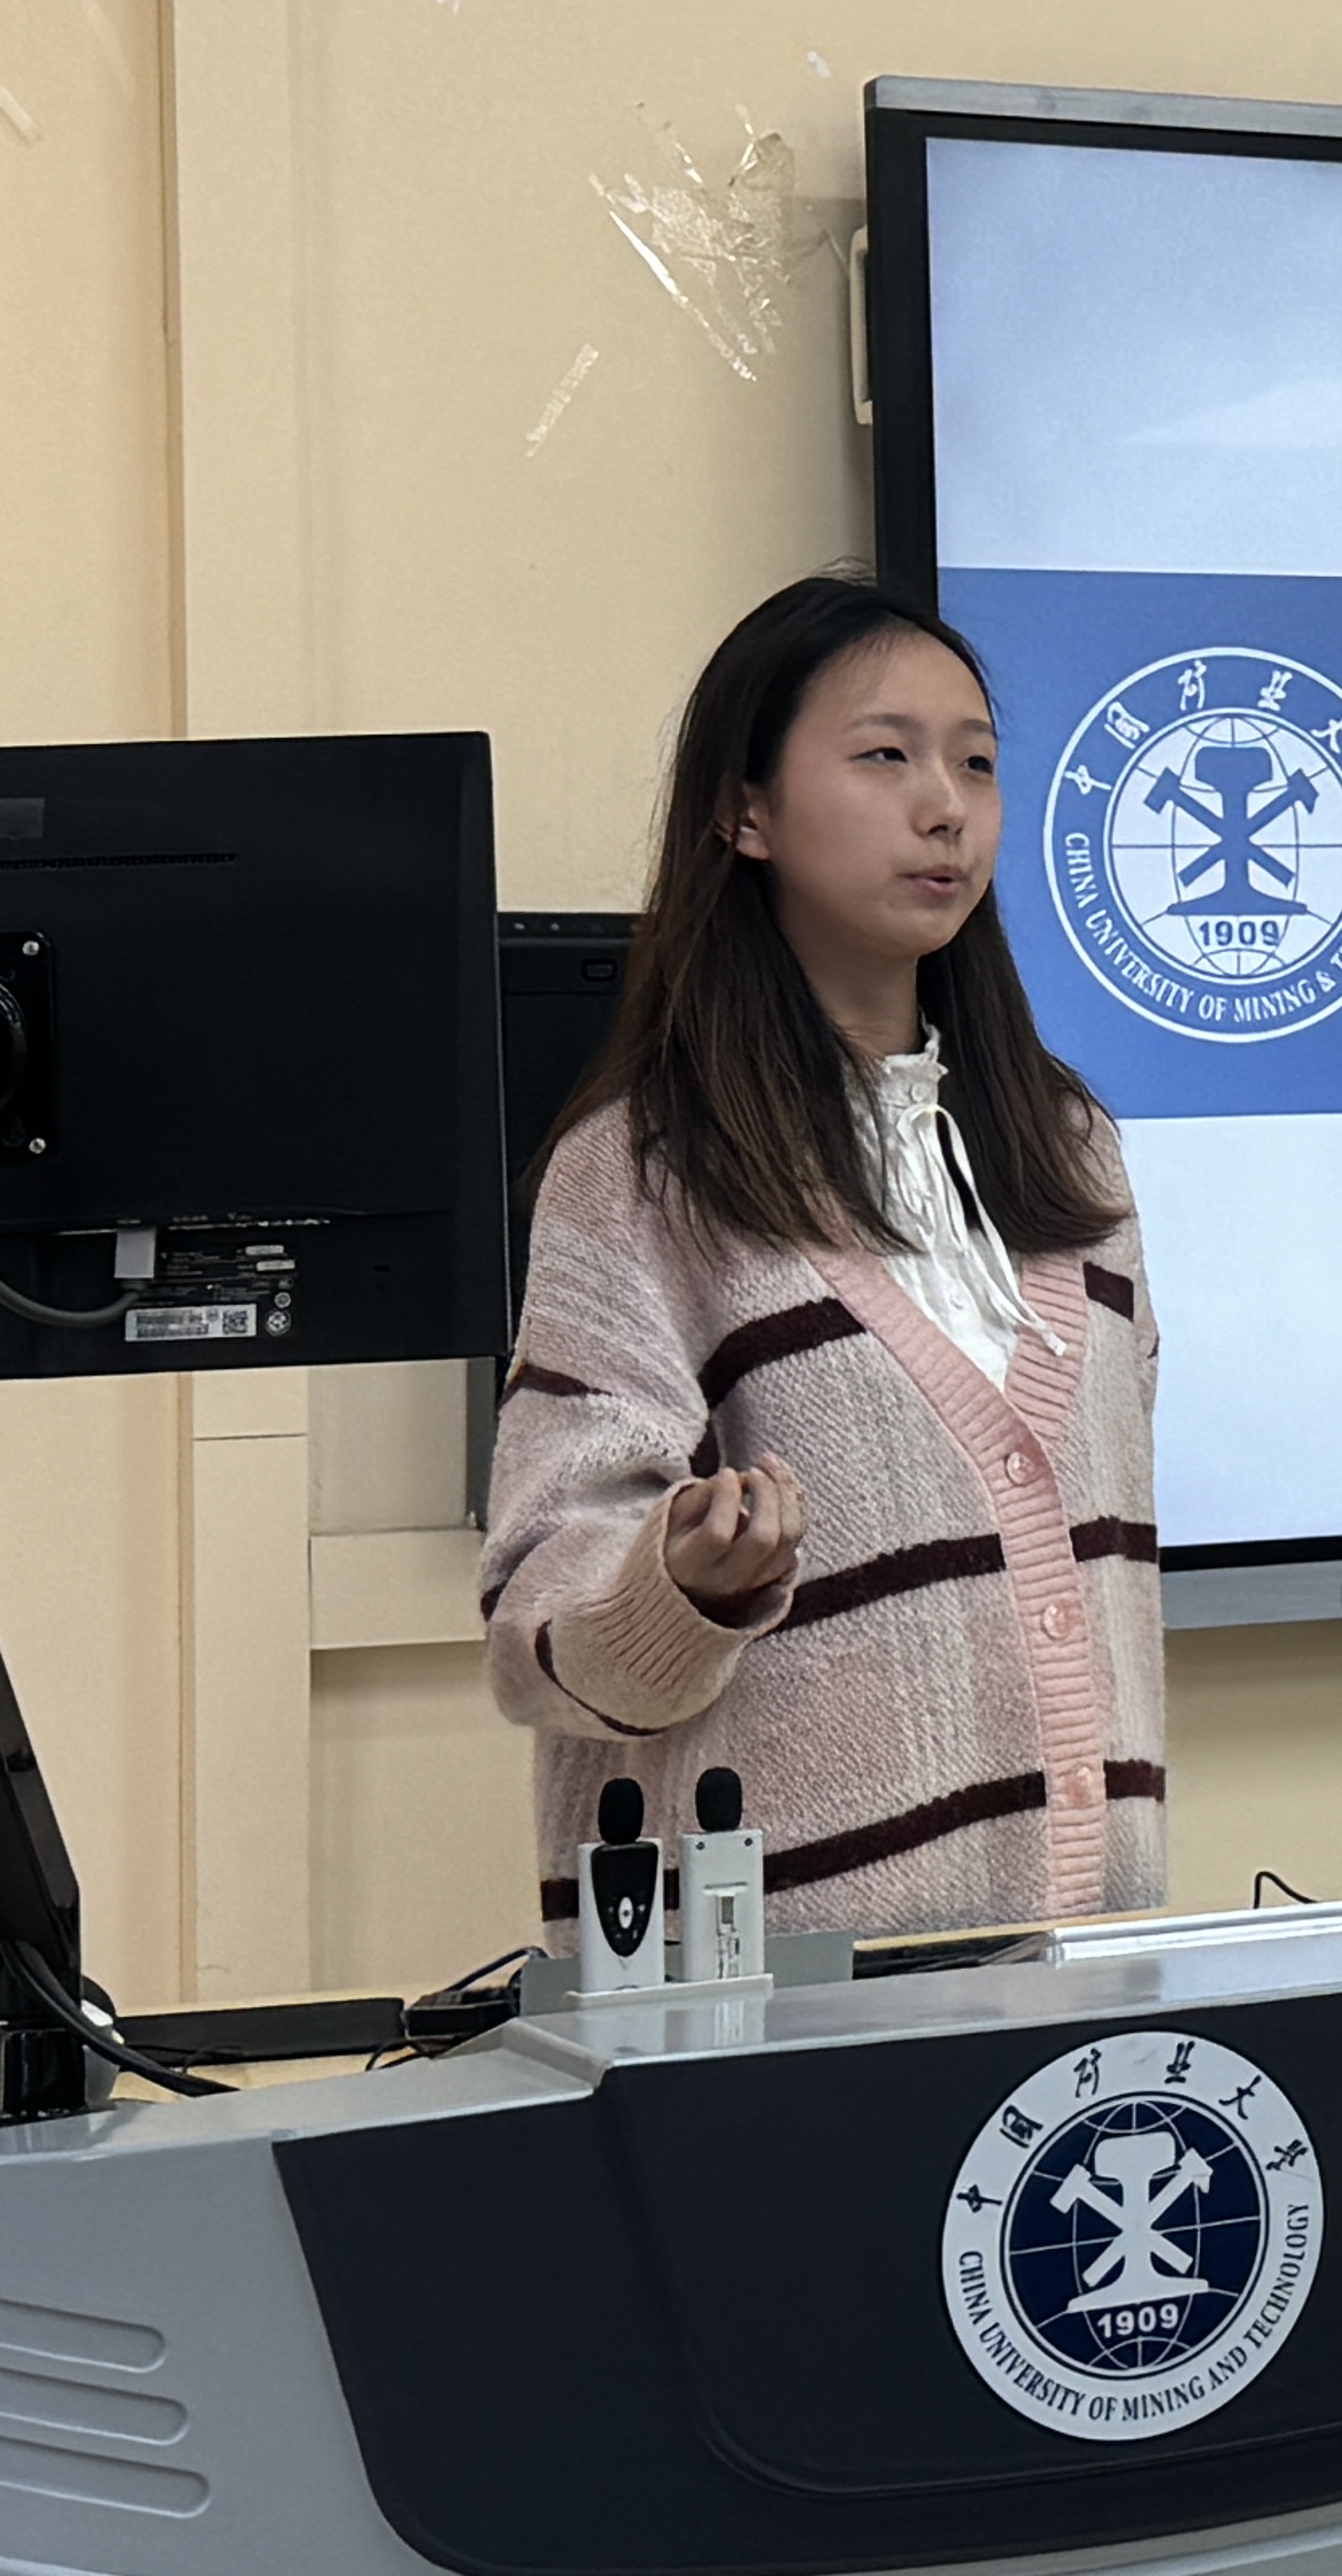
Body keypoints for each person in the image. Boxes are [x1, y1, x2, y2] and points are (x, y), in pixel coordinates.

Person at [481, 572, 1165, 1949]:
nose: (946, 806)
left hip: (1085, 1966)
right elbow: (535, 1625)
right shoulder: (643, 1173)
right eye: (886, 756)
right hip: (770, 1995)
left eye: (977, 763)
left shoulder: (1070, 1148)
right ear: (745, 813)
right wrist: (685, 1586)